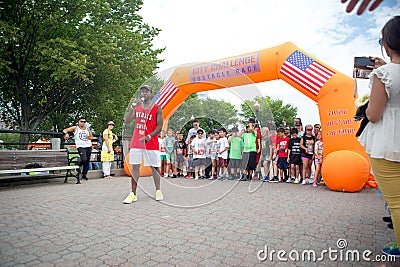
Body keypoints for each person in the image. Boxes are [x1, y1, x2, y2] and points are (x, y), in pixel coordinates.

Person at [358, 16, 400, 257]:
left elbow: (373, 114)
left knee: (396, 203)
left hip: (388, 142)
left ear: (388, 43)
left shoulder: (383, 74)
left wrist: (383, 70)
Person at [123, 85, 163, 204]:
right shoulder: (137, 107)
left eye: (146, 91)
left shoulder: (157, 108)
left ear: (150, 93)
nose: (144, 93)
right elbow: (127, 121)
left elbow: (159, 125)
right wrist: (132, 108)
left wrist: (149, 136)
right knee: (135, 166)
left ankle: (158, 190)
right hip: (137, 141)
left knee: (154, 167)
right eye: (142, 92)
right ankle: (133, 193)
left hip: (151, 142)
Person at [62, 117, 93, 183]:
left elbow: (91, 137)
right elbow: (65, 130)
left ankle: (84, 175)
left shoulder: (87, 129)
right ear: (78, 122)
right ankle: (77, 164)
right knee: (83, 159)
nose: (83, 123)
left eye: (84, 122)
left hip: (88, 146)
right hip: (81, 146)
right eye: (81, 121)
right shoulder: (76, 128)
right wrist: (66, 134)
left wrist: (88, 137)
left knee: (87, 161)